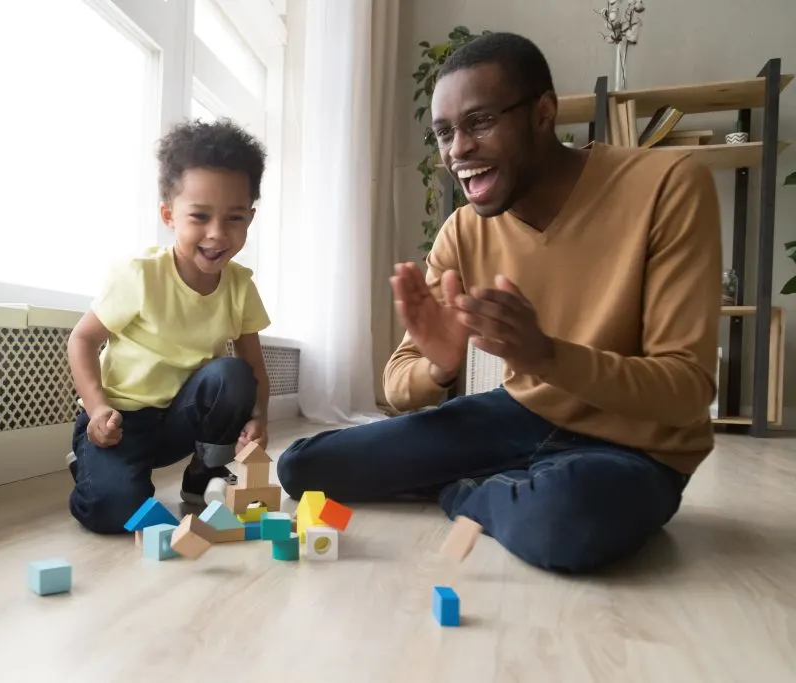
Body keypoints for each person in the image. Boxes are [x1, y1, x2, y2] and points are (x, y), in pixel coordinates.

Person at [276, 32, 722, 573]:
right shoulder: (463, 231)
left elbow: (686, 394)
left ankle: (468, 492)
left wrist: (547, 356)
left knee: (565, 521)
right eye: (444, 132)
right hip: (518, 417)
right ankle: (511, 486)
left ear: (543, 113)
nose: (457, 149)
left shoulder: (669, 185)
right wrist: (440, 367)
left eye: (480, 121)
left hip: (635, 448)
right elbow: (399, 382)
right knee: (304, 467)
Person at [66, 118, 272, 534]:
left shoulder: (240, 286)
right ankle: (90, 464)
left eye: (234, 218)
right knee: (115, 512)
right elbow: (82, 339)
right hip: (119, 423)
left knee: (232, 374)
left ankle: (203, 477)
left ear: (249, 218)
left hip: (180, 420)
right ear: (168, 215)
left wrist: (260, 418)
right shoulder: (139, 275)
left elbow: (254, 368)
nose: (217, 234)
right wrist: (96, 407)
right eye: (199, 216)